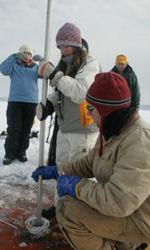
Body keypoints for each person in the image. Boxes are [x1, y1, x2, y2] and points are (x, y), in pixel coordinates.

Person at [32, 72, 150, 250]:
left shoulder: (139, 141)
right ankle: (124, 242)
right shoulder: (112, 130)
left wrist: (78, 187)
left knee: (67, 210)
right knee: (73, 201)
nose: (87, 114)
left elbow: (119, 201)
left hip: (142, 220)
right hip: (128, 210)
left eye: (90, 109)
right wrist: (58, 170)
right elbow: (89, 164)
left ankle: (130, 242)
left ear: (106, 111)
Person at [33, 23, 101, 217]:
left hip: (83, 132)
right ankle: (60, 207)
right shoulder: (66, 65)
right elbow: (60, 92)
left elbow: (81, 92)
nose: (63, 50)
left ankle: (79, 216)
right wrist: (49, 105)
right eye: (60, 46)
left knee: (78, 176)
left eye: (66, 45)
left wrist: (54, 75)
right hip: (64, 128)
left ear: (76, 45)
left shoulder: (90, 65)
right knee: (62, 169)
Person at [0, 45, 40, 165]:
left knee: (26, 129)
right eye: (24, 53)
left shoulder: (36, 68)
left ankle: (21, 152)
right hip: (15, 102)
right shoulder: (13, 66)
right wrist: (13, 57)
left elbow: (47, 73)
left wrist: (43, 61)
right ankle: (9, 154)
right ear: (20, 54)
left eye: (29, 54)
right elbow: (2, 69)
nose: (27, 56)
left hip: (31, 103)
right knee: (13, 129)